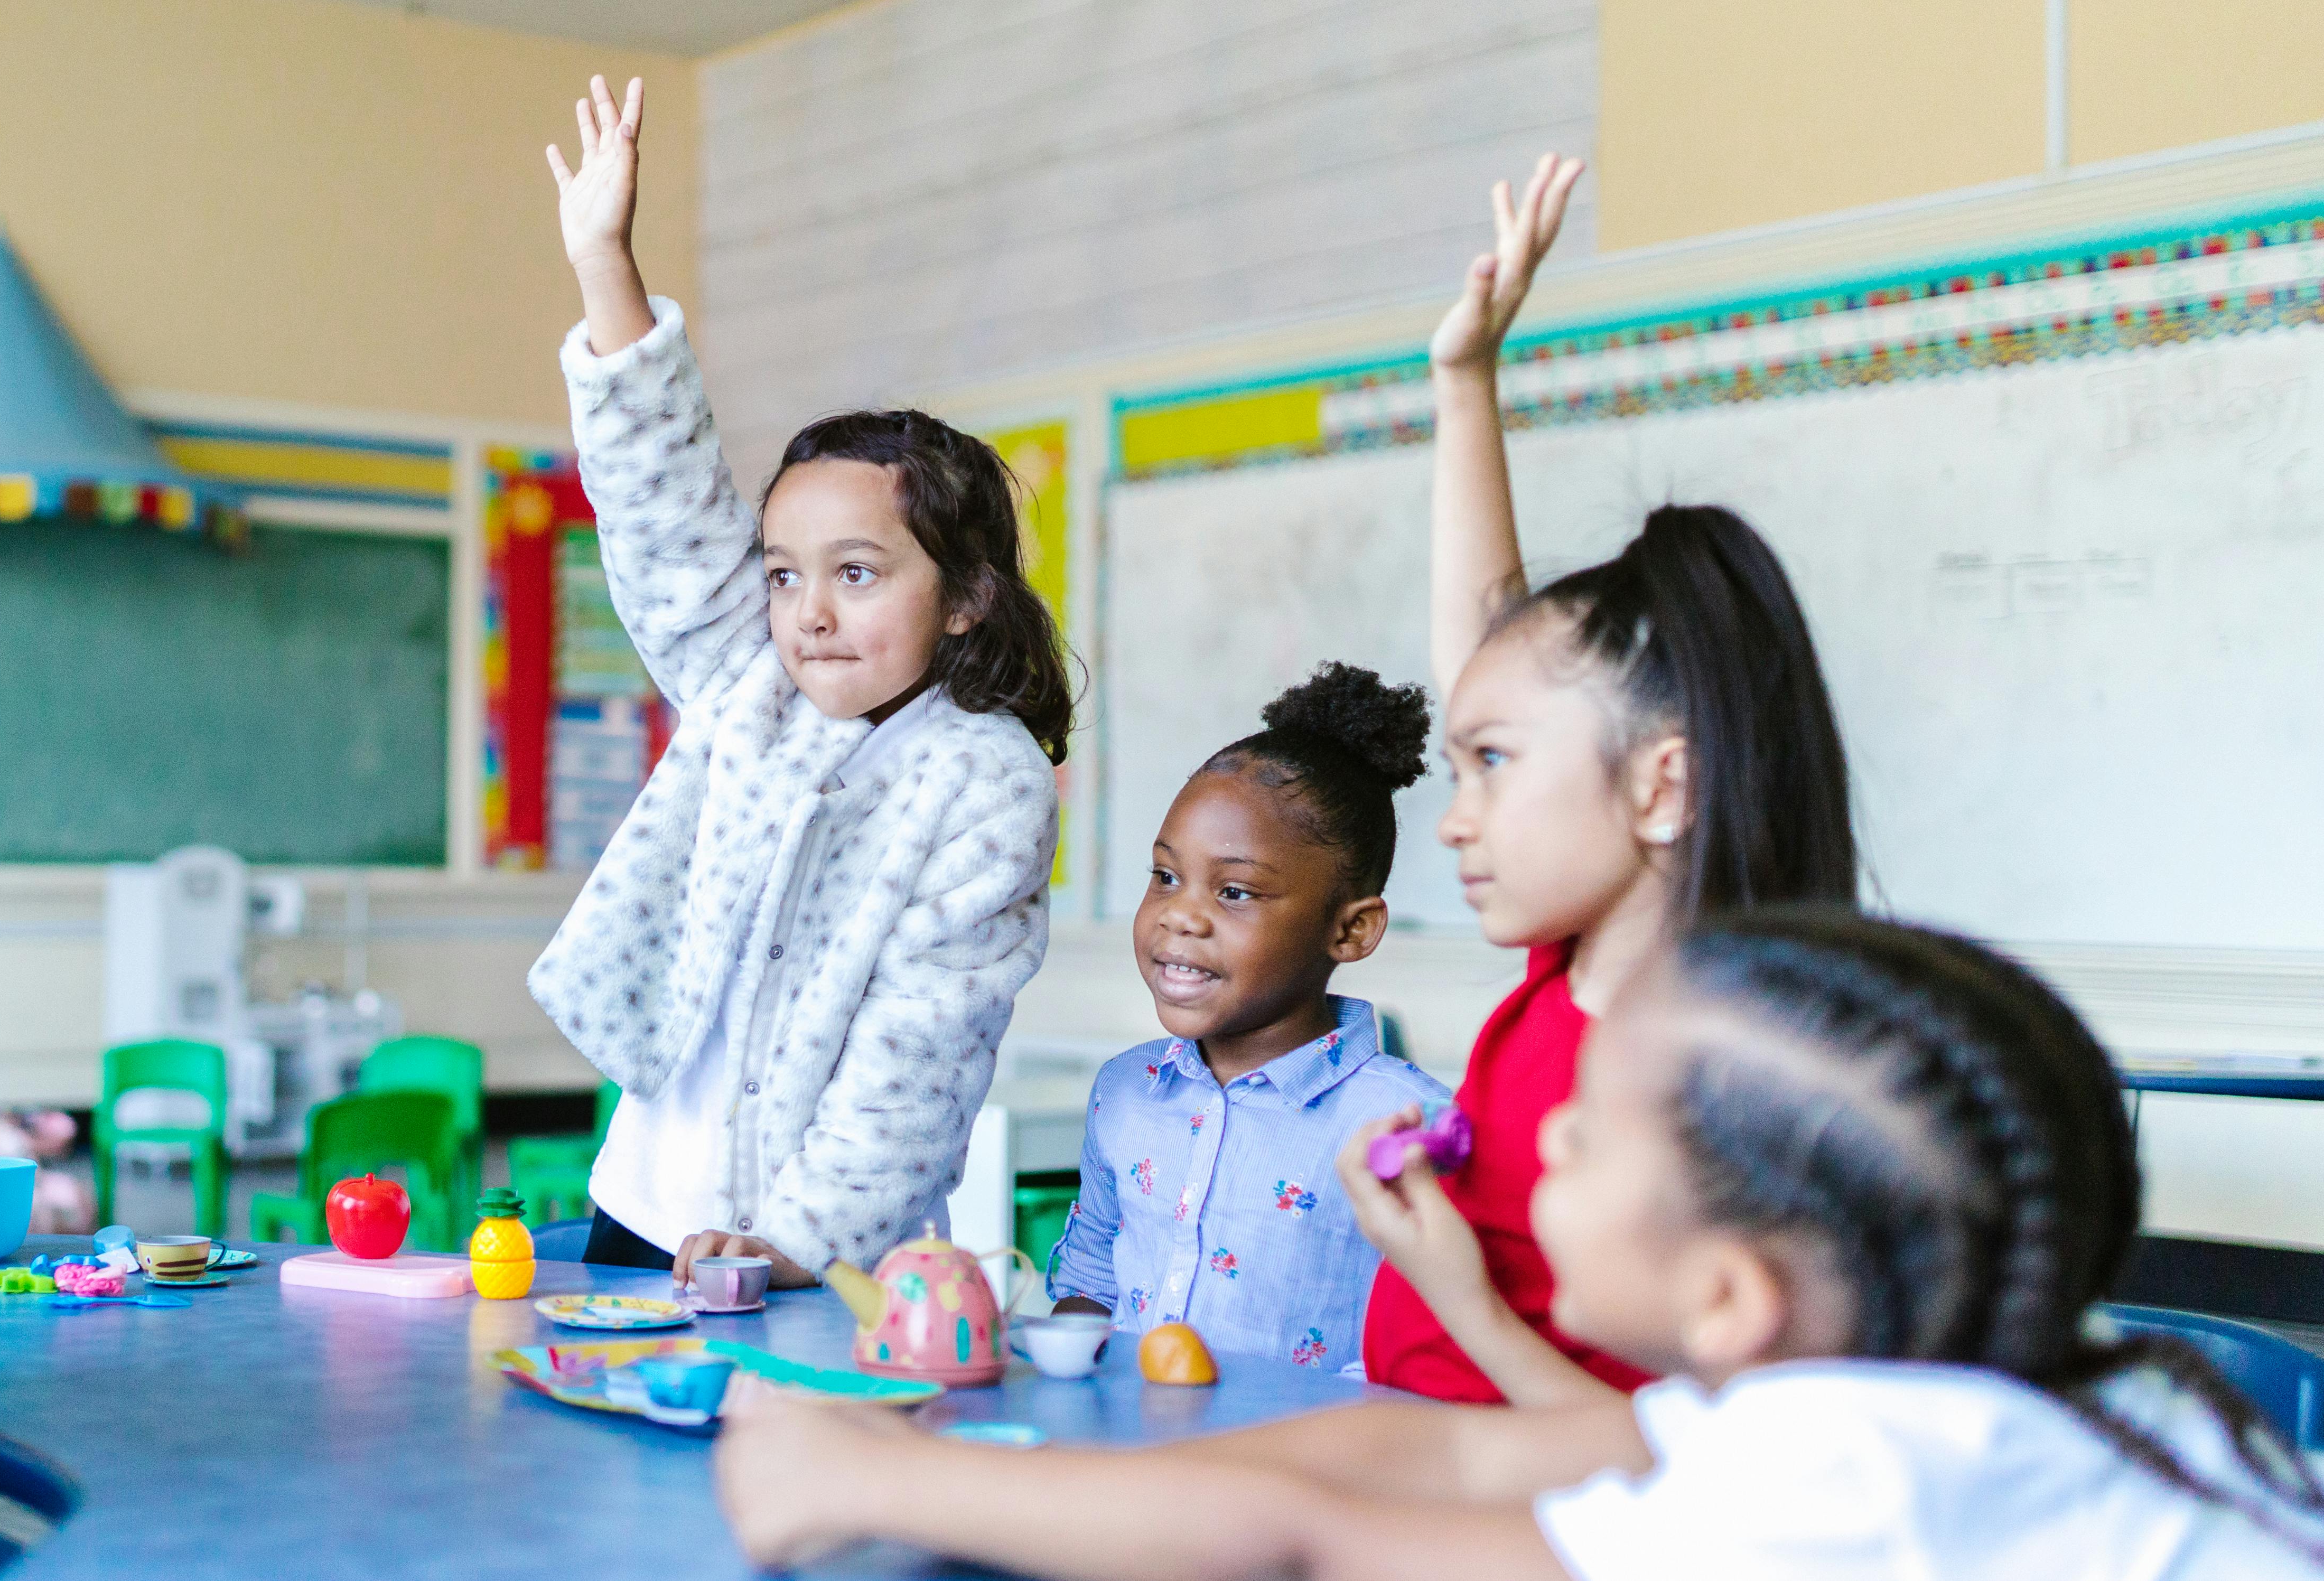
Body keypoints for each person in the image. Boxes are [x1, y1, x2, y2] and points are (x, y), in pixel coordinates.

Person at [714, 910, 2324, 1580]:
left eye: (1596, 1125)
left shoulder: (1860, 1479)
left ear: (1724, 1296)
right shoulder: (1959, 1388)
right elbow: (1444, 1458)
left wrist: (879, 1481)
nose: (1543, 1127)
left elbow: (1317, 1542)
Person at [532, 76, 1070, 1285]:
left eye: (860, 573)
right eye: (783, 573)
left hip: (817, 1254)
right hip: (643, 1210)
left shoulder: (983, 781)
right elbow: (664, 507)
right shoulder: (751, 683)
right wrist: (605, 267)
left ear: (968, 594)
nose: (810, 611)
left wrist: (794, 1243)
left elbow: (920, 1053)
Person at [1352, 153, 1858, 1404]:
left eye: (1496, 769)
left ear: (1662, 787)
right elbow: (1491, 662)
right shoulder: (1566, 967)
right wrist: (1463, 381)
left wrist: (1462, 1299)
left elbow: (1683, 1466)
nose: (1458, 821)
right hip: (1423, 1459)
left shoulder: (1712, 1072)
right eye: (1463, 768)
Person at [1044, 663, 1448, 1367]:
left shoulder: (1408, 1126)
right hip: (1131, 1464)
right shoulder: (1125, 1091)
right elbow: (1090, 1283)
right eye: (1166, 877)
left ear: (1351, 931)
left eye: (1233, 891)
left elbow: (1432, 1346)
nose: (1180, 916)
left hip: (1309, 1469)